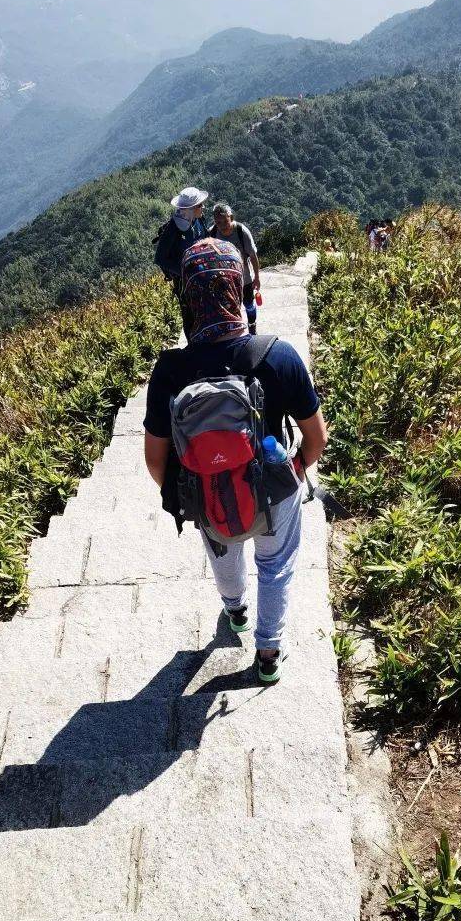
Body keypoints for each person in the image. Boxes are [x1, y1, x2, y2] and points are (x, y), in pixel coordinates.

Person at [143, 238, 328, 685]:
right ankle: (268, 653)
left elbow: (155, 463)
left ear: (188, 297)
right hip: (273, 485)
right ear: (237, 287)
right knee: (276, 563)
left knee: (225, 550)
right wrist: (294, 471)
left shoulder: (169, 372)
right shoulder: (278, 355)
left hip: (208, 489)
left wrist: (197, 480)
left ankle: (236, 613)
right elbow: (316, 439)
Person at [153, 187, 209, 334]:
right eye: (199, 205)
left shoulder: (198, 220)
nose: (203, 207)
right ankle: (193, 350)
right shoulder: (173, 228)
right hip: (184, 282)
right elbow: (160, 258)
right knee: (190, 316)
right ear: (191, 209)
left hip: (202, 276)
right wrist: (184, 271)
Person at [211, 202, 262, 333]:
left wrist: (257, 277)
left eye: (225, 221)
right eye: (218, 222)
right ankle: (235, 333)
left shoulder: (241, 231)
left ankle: (252, 326)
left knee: (249, 304)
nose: (222, 226)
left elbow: (253, 255)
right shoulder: (212, 233)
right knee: (230, 307)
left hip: (245, 279)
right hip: (224, 281)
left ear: (231, 218)